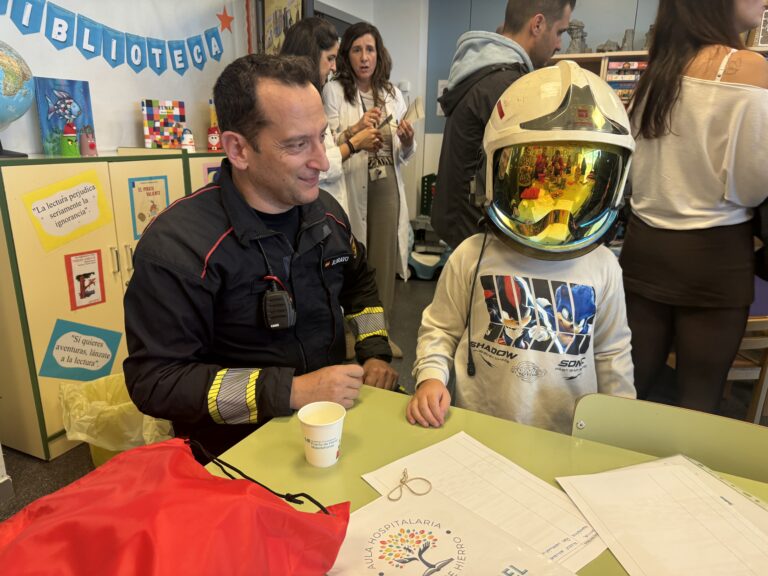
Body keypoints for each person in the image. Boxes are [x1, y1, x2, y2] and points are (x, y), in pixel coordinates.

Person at [123, 54, 398, 460]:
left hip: (331, 431)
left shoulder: (327, 215)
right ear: (238, 149)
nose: (322, 161)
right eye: (297, 144)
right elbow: (158, 381)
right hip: (235, 454)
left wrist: (374, 352)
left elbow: (360, 286)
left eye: (321, 137)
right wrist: (290, 391)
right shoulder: (178, 248)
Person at [408, 61, 636, 433]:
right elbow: (440, 328)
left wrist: (619, 421)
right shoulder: (471, 255)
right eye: (539, 185)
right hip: (478, 425)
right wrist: (431, 377)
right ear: (493, 175)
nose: (555, 218)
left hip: (566, 435)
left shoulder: (603, 267)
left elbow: (612, 354)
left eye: (575, 189)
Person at [619, 0, 768, 413]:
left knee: (628, 390)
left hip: (644, 251)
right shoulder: (749, 68)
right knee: (697, 402)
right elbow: (753, 187)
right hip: (714, 259)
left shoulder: (656, 72)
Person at [431, 0, 575, 250]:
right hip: (481, 242)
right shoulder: (510, 88)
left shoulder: (481, 73)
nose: (560, 44)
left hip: (462, 232)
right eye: (560, 31)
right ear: (538, 24)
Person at [322, 22, 416, 358]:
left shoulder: (392, 94)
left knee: (383, 258)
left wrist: (407, 140)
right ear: (347, 55)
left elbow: (404, 155)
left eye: (370, 49)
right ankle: (352, 335)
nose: (365, 57)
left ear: (379, 54)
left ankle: (382, 332)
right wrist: (356, 129)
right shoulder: (334, 91)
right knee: (355, 259)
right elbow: (327, 145)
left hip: (386, 184)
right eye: (357, 50)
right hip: (352, 184)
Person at [281, 17, 381, 212]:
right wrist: (354, 144)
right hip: (312, 206)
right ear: (310, 55)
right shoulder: (293, 104)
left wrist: (353, 130)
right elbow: (319, 164)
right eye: (330, 58)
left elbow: (323, 144)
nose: (334, 67)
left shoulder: (311, 95)